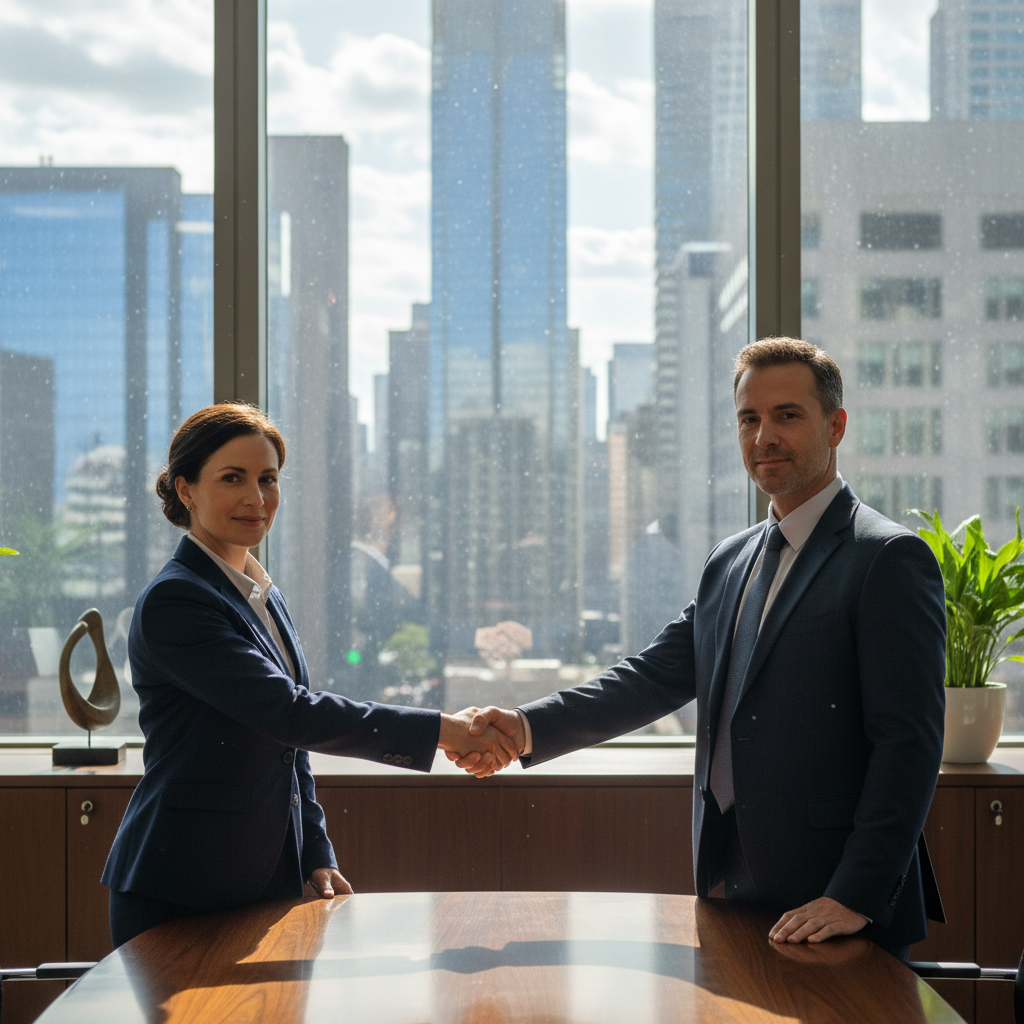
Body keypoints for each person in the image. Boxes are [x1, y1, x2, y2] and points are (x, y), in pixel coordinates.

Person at [457, 338, 946, 960]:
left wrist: (854, 894)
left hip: (837, 909)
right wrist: (525, 727)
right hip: (729, 882)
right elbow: (650, 680)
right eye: (750, 419)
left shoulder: (887, 558)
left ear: (836, 424)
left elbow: (909, 744)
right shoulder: (731, 560)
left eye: (787, 416)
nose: (764, 435)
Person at [102, 404, 516, 947]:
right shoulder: (177, 599)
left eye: (268, 479)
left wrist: (313, 854)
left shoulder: (258, 592)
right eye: (233, 479)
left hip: (265, 879)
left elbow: (285, 746)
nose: (256, 498)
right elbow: (289, 712)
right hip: (181, 883)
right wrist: (443, 730)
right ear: (186, 490)